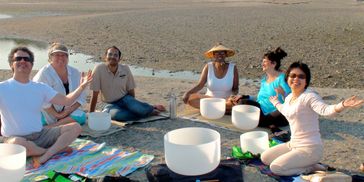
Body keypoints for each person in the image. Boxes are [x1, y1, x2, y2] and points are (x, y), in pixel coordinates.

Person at [261, 61, 363, 176]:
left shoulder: (310, 97)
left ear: (306, 81)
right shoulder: (289, 97)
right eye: (293, 76)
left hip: (310, 149)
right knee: (265, 158)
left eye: (301, 76)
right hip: (293, 144)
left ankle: (309, 168)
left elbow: (325, 110)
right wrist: (275, 102)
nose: (296, 79)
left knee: (276, 168)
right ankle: (308, 164)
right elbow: (285, 110)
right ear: (287, 78)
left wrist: (342, 105)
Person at [0, 47, 92, 166]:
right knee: (17, 143)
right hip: (15, 139)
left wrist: (82, 86)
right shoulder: (2, 88)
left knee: (75, 128)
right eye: (18, 58)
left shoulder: (40, 88)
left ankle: (45, 155)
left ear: (31, 64)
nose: (23, 61)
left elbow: (66, 100)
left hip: (41, 135)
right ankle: (55, 150)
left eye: (27, 59)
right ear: (12, 64)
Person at [89, 46, 165, 121]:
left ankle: (151, 108)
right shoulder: (99, 69)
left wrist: (133, 105)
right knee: (118, 116)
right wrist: (90, 115)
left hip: (125, 99)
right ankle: (146, 113)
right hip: (109, 104)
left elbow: (131, 90)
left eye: (115, 55)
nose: (112, 57)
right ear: (105, 57)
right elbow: (95, 95)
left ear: (119, 59)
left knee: (138, 108)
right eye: (110, 54)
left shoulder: (125, 69)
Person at [232, 47, 290, 133]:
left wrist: (283, 94)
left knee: (243, 107)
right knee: (242, 102)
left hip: (277, 114)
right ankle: (270, 125)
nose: (262, 64)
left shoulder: (282, 79)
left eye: (264, 62)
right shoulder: (264, 80)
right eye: (262, 61)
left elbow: (292, 100)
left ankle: (267, 123)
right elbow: (261, 98)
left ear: (273, 64)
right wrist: (245, 96)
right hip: (260, 111)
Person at [33, 43, 87, 127]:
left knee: (81, 116)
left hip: (68, 111)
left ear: (68, 58)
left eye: (64, 55)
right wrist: (58, 115)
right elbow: (40, 99)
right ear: (50, 57)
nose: (61, 58)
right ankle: (55, 125)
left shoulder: (75, 72)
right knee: (35, 121)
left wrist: (68, 111)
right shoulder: (43, 74)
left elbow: (81, 96)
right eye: (57, 55)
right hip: (47, 112)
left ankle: (52, 127)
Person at [182, 43, 239, 111]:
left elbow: (235, 88)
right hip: (209, 100)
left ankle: (213, 108)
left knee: (238, 103)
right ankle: (220, 109)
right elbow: (200, 85)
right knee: (191, 98)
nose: (220, 55)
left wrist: (232, 96)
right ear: (214, 55)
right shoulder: (208, 66)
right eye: (217, 53)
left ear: (226, 55)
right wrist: (187, 93)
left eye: (222, 53)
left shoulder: (233, 67)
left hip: (226, 101)